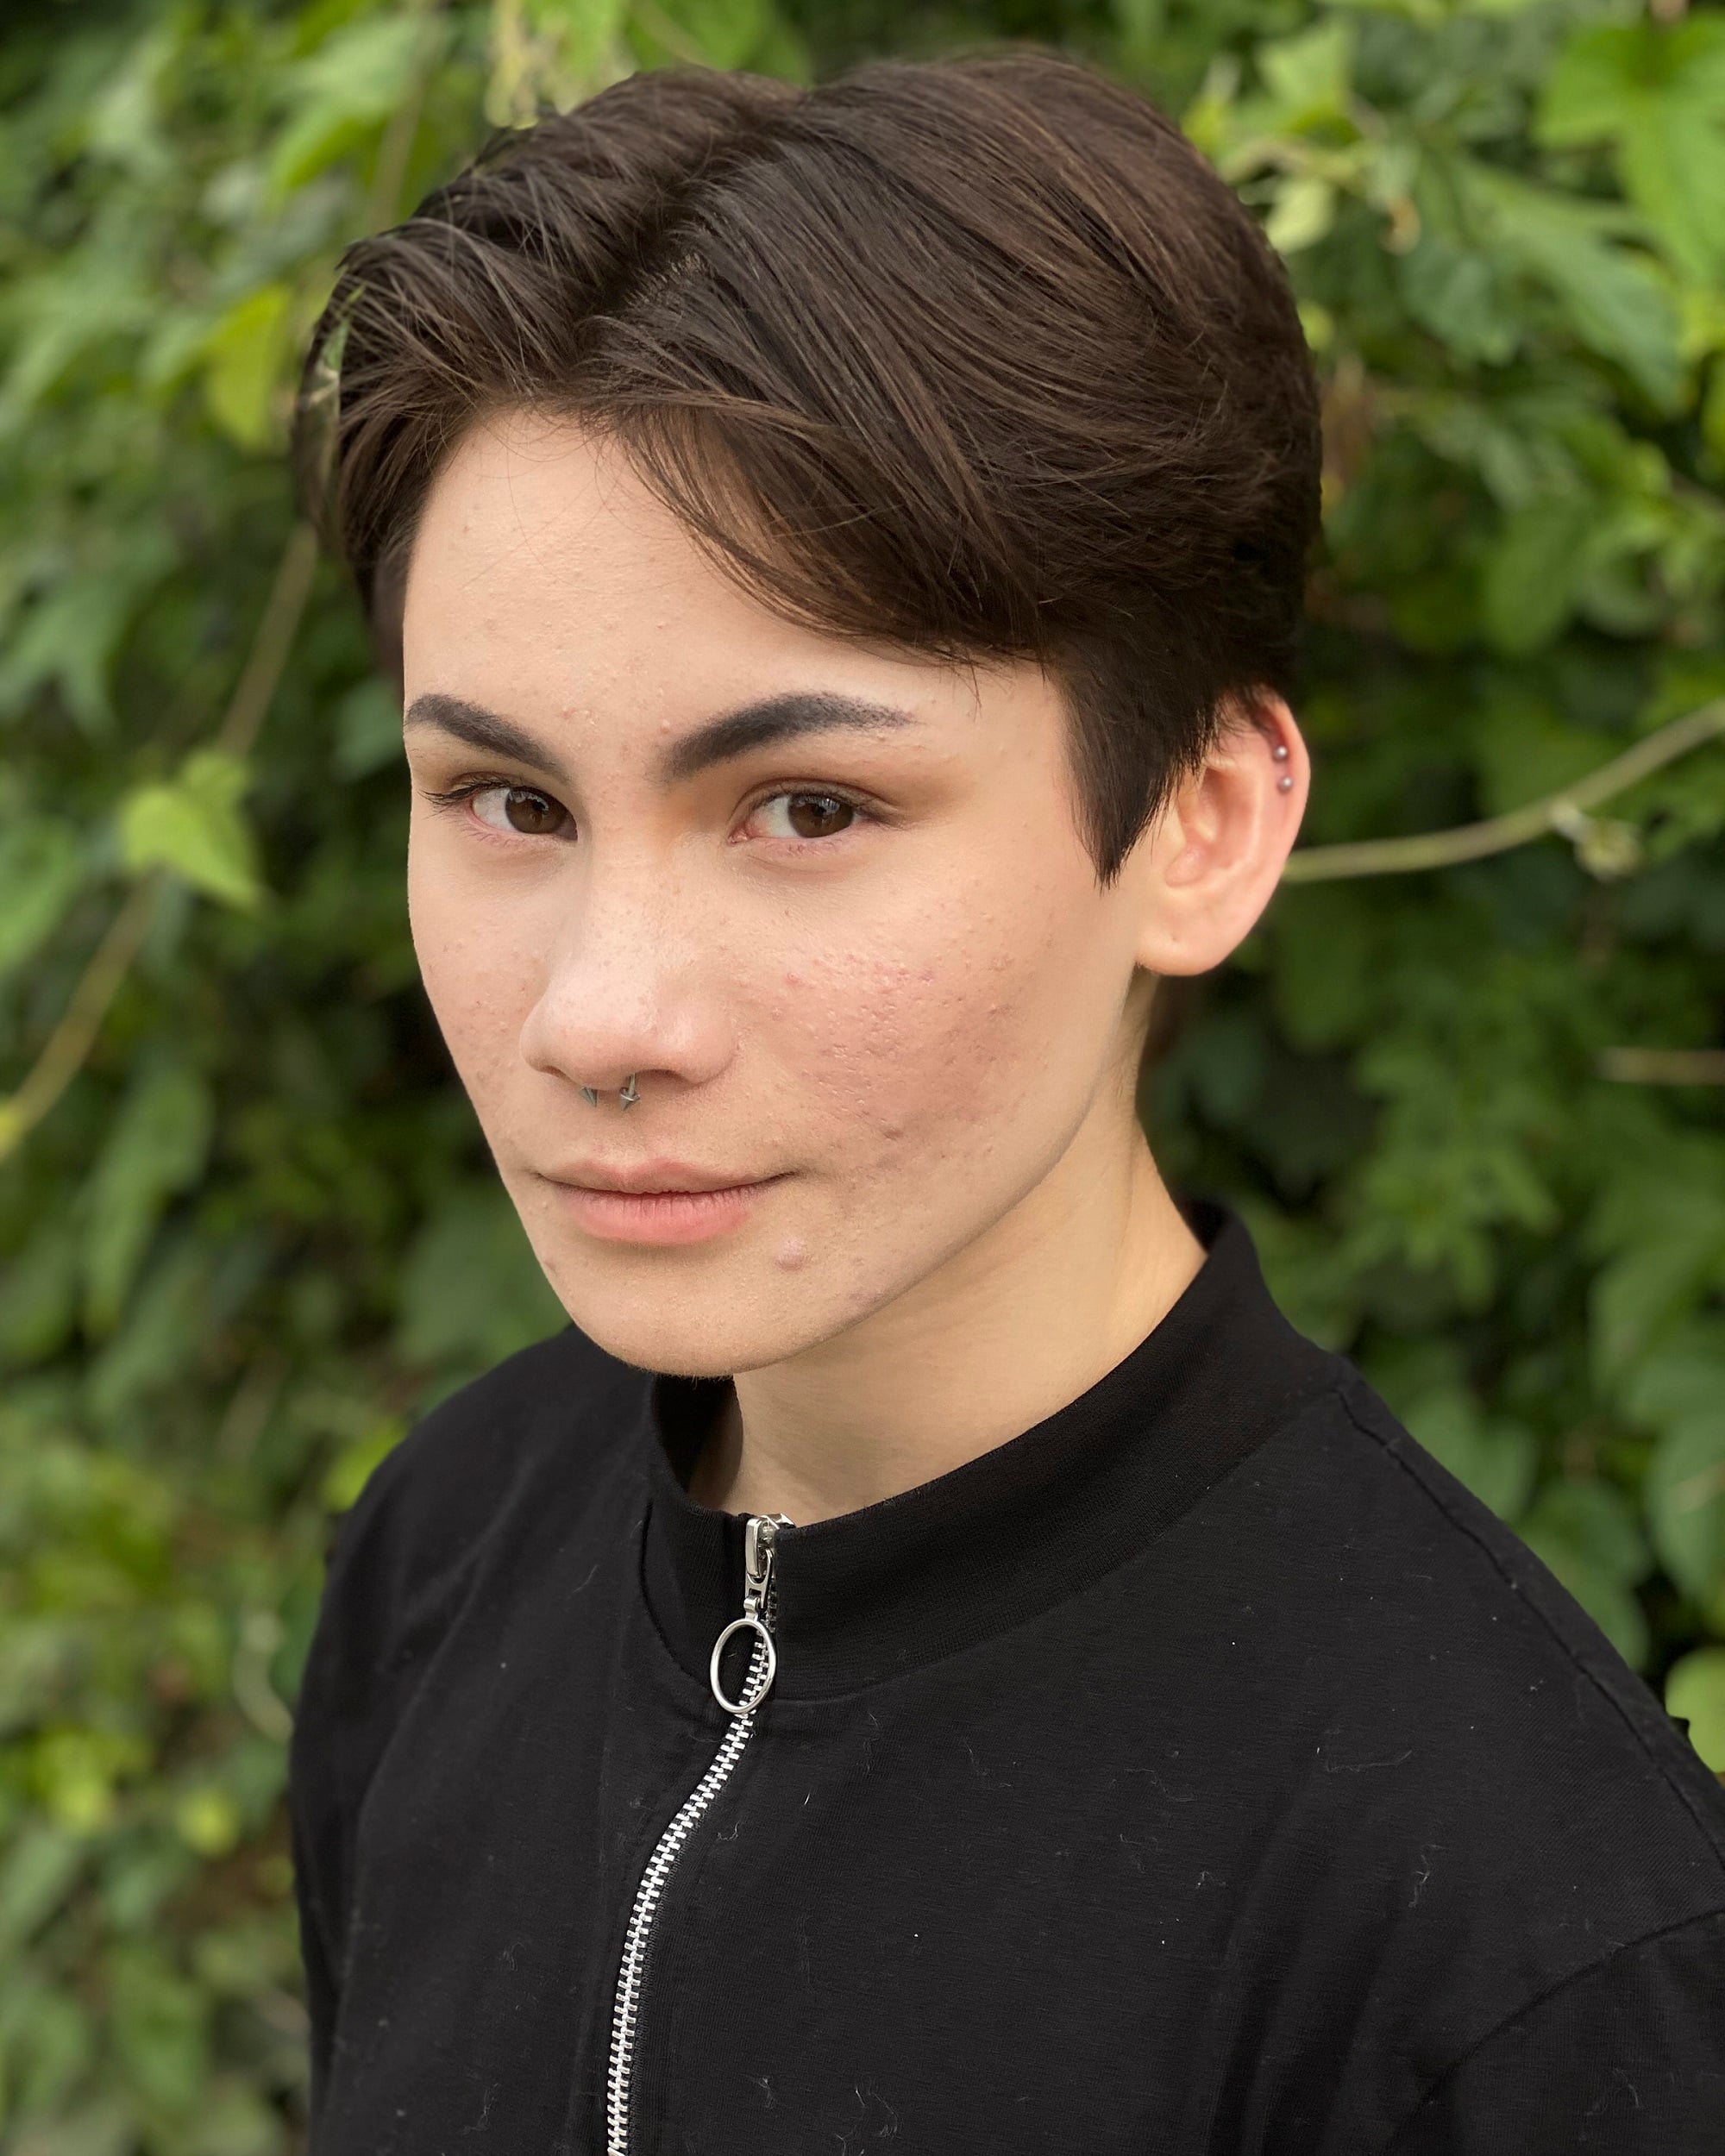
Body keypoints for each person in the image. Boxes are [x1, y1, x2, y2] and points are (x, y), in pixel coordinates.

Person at [286, 49, 1725, 2156]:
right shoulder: (446, 1550)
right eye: (507, 799)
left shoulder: (1524, 1940)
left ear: (1199, 826)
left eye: (806, 806)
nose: (598, 1016)